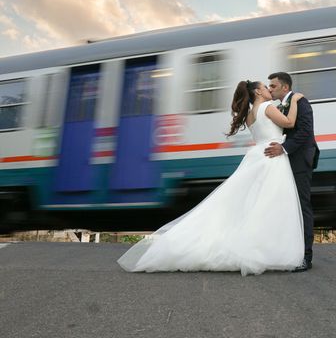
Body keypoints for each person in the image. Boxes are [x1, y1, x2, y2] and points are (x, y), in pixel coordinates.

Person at [117, 80, 306, 276]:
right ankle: (264, 249)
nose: (269, 90)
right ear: (258, 92)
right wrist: (295, 101)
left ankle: (261, 248)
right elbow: (290, 123)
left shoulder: (250, 115)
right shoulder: (267, 107)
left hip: (259, 155)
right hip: (271, 158)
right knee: (268, 205)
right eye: (266, 88)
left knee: (253, 205)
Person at [265, 72, 319, 272]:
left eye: (273, 86)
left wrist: (284, 148)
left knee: (302, 206)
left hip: (299, 161)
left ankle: (306, 257)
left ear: (284, 88)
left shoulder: (301, 102)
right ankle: (290, 251)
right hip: (285, 161)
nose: (270, 89)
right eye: (269, 86)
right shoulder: (280, 106)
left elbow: (305, 132)